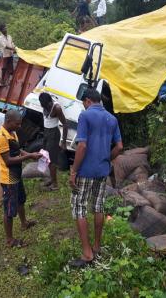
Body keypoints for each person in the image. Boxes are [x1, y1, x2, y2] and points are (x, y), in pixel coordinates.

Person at [69, 89, 123, 268]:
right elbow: (120, 147)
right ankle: (97, 246)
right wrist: (107, 158)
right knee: (98, 206)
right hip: (102, 170)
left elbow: (82, 146)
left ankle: (87, 253)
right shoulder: (112, 119)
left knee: (79, 207)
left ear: (87, 100)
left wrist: (74, 171)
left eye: (83, 102)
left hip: (85, 170)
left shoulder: (85, 116)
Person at [0, 110, 42, 247]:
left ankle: (24, 223)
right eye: (17, 124)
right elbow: (8, 160)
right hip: (9, 176)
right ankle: (9, 240)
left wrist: (31, 153)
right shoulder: (1, 137)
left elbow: (17, 150)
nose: (19, 126)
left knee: (21, 199)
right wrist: (29, 157)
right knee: (9, 209)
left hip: (16, 173)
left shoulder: (12, 133)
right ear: (8, 121)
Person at [38, 93, 68, 191]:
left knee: (52, 161)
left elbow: (65, 124)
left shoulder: (56, 108)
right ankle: (51, 179)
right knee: (44, 156)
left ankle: (55, 184)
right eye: (45, 105)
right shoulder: (45, 105)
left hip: (54, 134)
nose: (48, 106)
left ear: (50, 101)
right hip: (46, 132)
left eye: (49, 104)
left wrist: (63, 142)